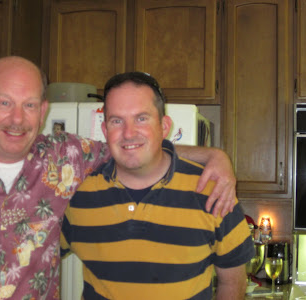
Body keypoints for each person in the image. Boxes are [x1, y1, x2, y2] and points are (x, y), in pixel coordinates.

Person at [0, 56, 235, 299]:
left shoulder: (64, 159)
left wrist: (213, 155)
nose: (17, 119)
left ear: (43, 112)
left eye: (29, 105)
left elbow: (133, 147)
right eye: (4, 103)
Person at [60, 72, 255, 300]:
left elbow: (232, 281)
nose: (129, 133)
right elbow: (36, 257)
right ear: (105, 132)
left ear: (164, 127)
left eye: (141, 118)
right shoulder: (76, 193)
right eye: (116, 121)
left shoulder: (214, 191)